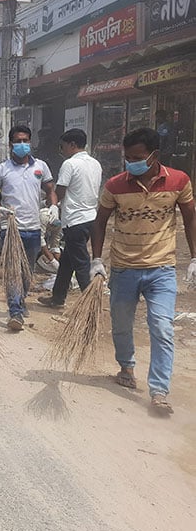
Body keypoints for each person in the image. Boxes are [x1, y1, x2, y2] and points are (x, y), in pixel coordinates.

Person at [90, 127, 196, 413]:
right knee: (121, 325)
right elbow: (99, 223)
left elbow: (190, 219)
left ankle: (159, 391)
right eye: (128, 157)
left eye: (137, 157)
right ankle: (126, 367)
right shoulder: (115, 185)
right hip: (124, 268)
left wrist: (195, 258)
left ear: (154, 156)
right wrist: (97, 261)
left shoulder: (179, 180)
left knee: (162, 328)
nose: (131, 163)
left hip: (162, 268)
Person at [0, 124, 57, 331]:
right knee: (13, 271)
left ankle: (21, 298)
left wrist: (53, 205)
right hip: (10, 228)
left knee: (27, 273)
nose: (22, 145)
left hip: (34, 227)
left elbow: (50, 189)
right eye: (18, 141)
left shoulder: (41, 167)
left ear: (30, 142)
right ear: (10, 144)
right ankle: (15, 311)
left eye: (25, 141)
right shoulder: (2, 169)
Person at [38, 129, 102, 308]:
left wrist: (51, 203)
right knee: (67, 262)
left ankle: (90, 305)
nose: (62, 149)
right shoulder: (95, 163)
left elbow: (61, 190)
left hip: (74, 219)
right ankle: (57, 298)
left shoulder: (70, 164)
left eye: (63, 146)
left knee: (81, 264)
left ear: (72, 145)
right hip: (90, 217)